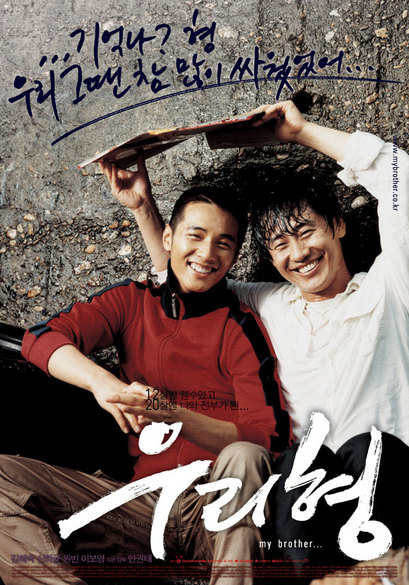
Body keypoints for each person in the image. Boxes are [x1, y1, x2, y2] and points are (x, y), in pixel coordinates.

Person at [125, 101, 409, 577]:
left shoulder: (391, 287)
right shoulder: (269, 304)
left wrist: (300, 132)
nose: (298, 253)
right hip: (302, 505)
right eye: (280, 244)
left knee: (368, 447)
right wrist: (143, 208)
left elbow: (399, 174)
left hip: (384, 492)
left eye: (306, 232)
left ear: (338, 225)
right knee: (299, 460)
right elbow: (189, 278)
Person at [0, 182, 292, 585]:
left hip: (214, 508)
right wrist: (103, 384)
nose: (207, 254)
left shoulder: (241, 328)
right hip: (140, 508)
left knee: (245, 455)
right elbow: (42, 338)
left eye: (223, 244)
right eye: (195, 235)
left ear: (234, 256)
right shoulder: (130, 302)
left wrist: (171, 415)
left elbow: (269, 440)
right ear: (168, 237)